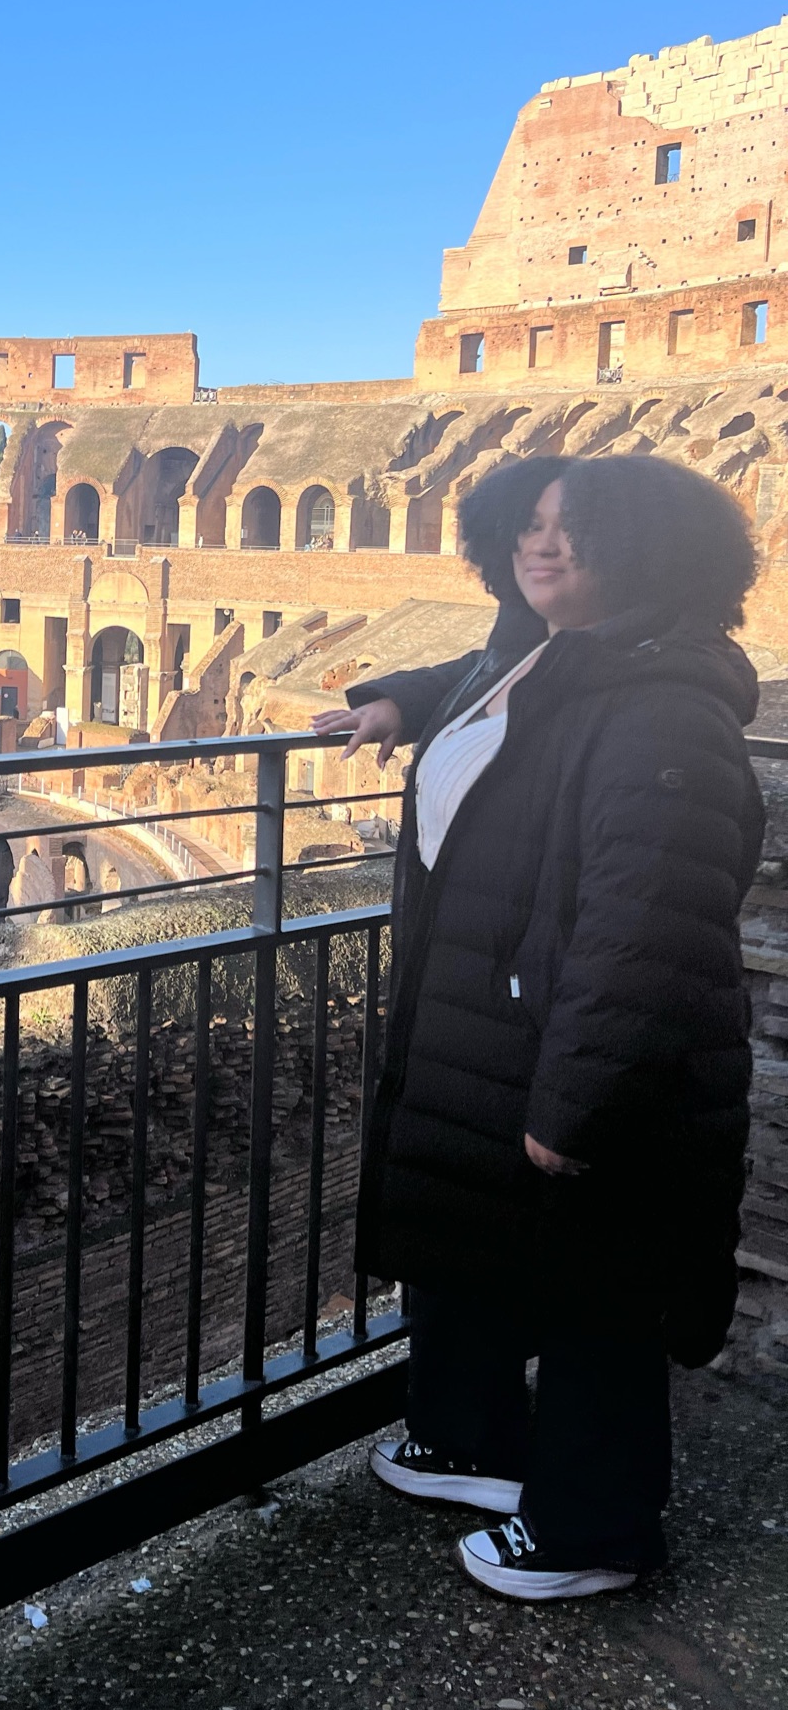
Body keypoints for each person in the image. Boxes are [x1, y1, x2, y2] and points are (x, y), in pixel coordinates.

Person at [311, 454, 761, 1601]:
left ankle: (593, 1533)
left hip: (577, 1047)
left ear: (646, 549)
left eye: (574, 528)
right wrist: (396, 698)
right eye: (528, 523)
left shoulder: (662, 711)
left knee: (597, 1292)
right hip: (495, 1018)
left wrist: (573, 1104)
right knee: (470, 1243)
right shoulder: (550, 652)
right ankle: (471, 1444)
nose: (539, 544)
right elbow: (487, 674)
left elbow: (644, 929)